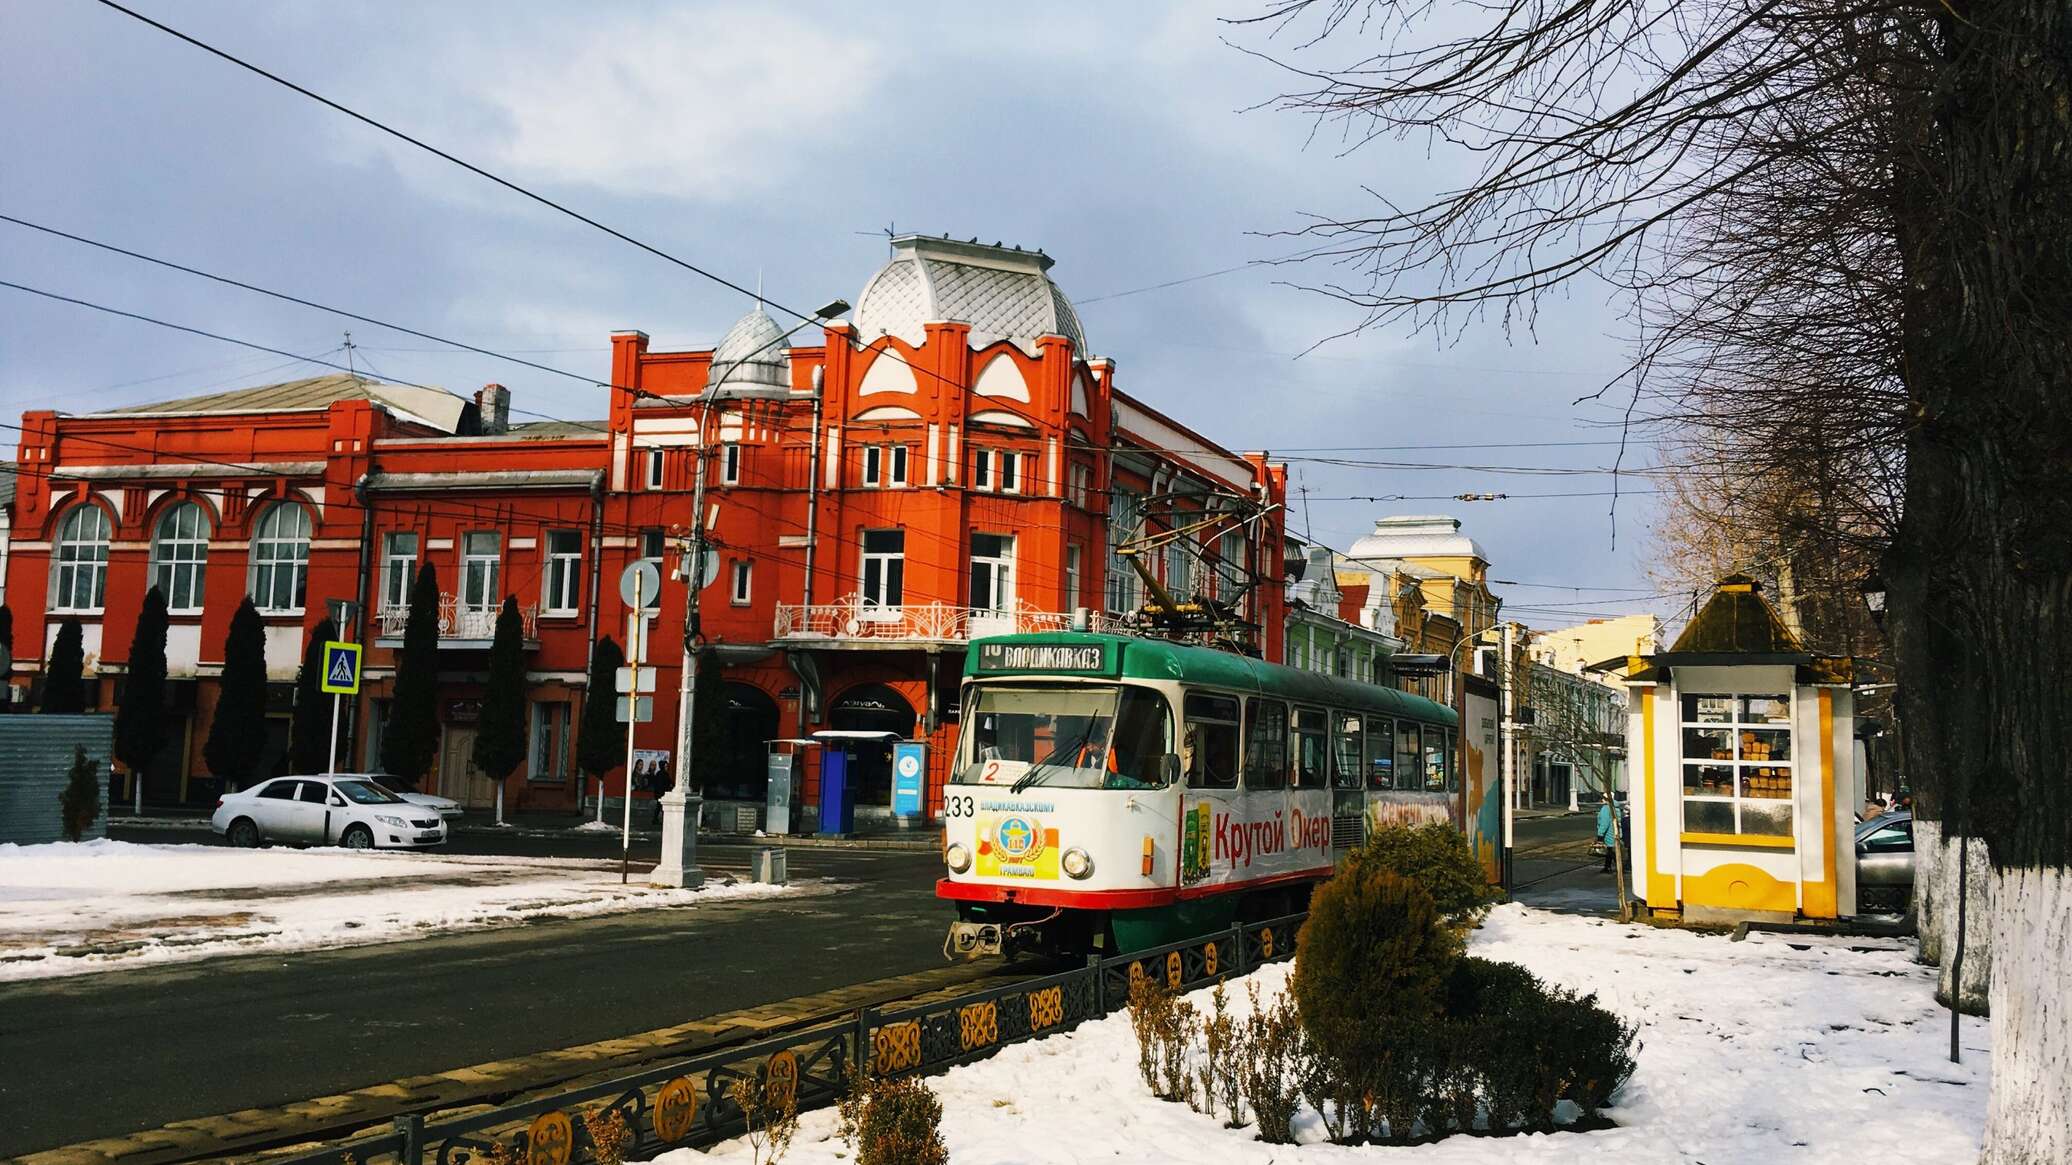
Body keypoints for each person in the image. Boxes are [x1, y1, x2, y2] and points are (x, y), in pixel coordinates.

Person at [1596, 798, 1621, 872]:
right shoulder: (1615, 807)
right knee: (1611, 850)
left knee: (1611, 851)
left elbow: (1604, 823)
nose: (1601, 800)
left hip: (1608, 833)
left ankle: (1619, 867)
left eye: (1603, 798)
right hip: (1615, 832)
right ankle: (1607, 867)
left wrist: (1600, 834)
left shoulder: (1606, 808)